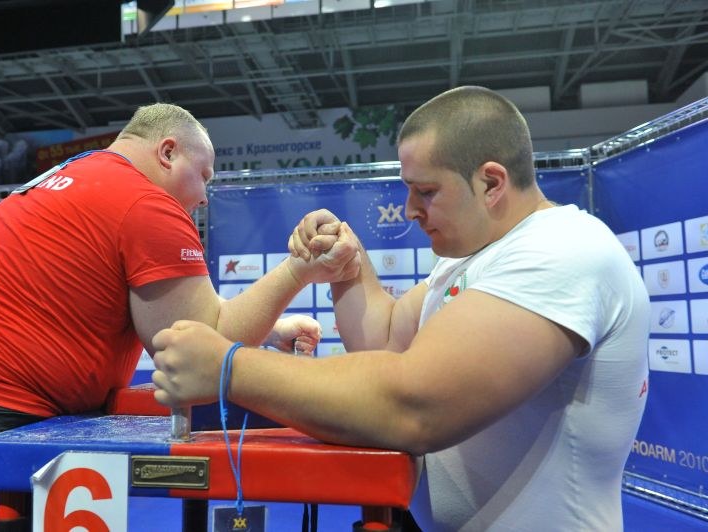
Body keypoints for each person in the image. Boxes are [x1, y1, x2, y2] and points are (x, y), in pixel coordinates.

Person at [150, 87, 651, 531]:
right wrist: (350, 267)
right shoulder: (479, 256)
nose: (410, 209)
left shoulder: (561, 251)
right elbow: (385, 337)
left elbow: (414, 404)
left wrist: (229, 367)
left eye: (426, 191)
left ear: (492, 182)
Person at [0, 103, 334, 531]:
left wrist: (269, 328)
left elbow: (175, 311)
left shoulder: (78, 174)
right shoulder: (146, 201)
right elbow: (199, 343)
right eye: (204, 175)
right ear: (167, 152)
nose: (205, 196)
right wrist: (298, 270)